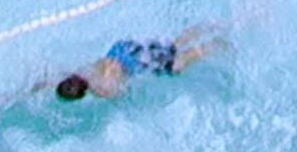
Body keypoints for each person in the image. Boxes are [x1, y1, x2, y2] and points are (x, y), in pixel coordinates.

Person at [49, 25, 228, 102]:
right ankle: (210, 26)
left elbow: (121, 92)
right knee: (173, 45)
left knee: (176, 66)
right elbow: (51, 78)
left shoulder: (102, 89)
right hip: (121, 49)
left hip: (135, 59)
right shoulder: (80, 72)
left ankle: (220, 43)